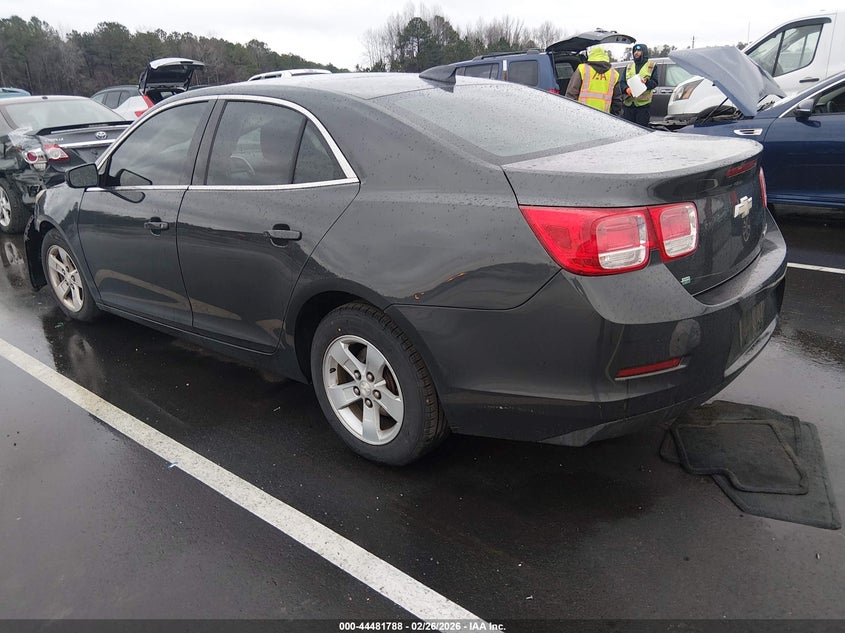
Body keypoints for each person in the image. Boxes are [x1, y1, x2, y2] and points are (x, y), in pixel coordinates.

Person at [564, 46, 622, 115]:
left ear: (591, 55)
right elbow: (617, 100)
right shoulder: (614, 74)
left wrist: (571, 113)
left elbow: (571, 94)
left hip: (582, 115)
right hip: (604, 116)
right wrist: (615, 116)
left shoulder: (582, 69)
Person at [619, 43, 659, 126]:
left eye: (639, 51)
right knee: (628, 130)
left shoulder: (652, 66)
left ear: (644, 52)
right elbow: (622, 82)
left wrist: (647, 82)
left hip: (643, 107)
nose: (636, 53)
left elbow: (655, 82)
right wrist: (626, 89)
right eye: (635, 51)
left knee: (641, 130)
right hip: (628, 105)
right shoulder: (629, 67)